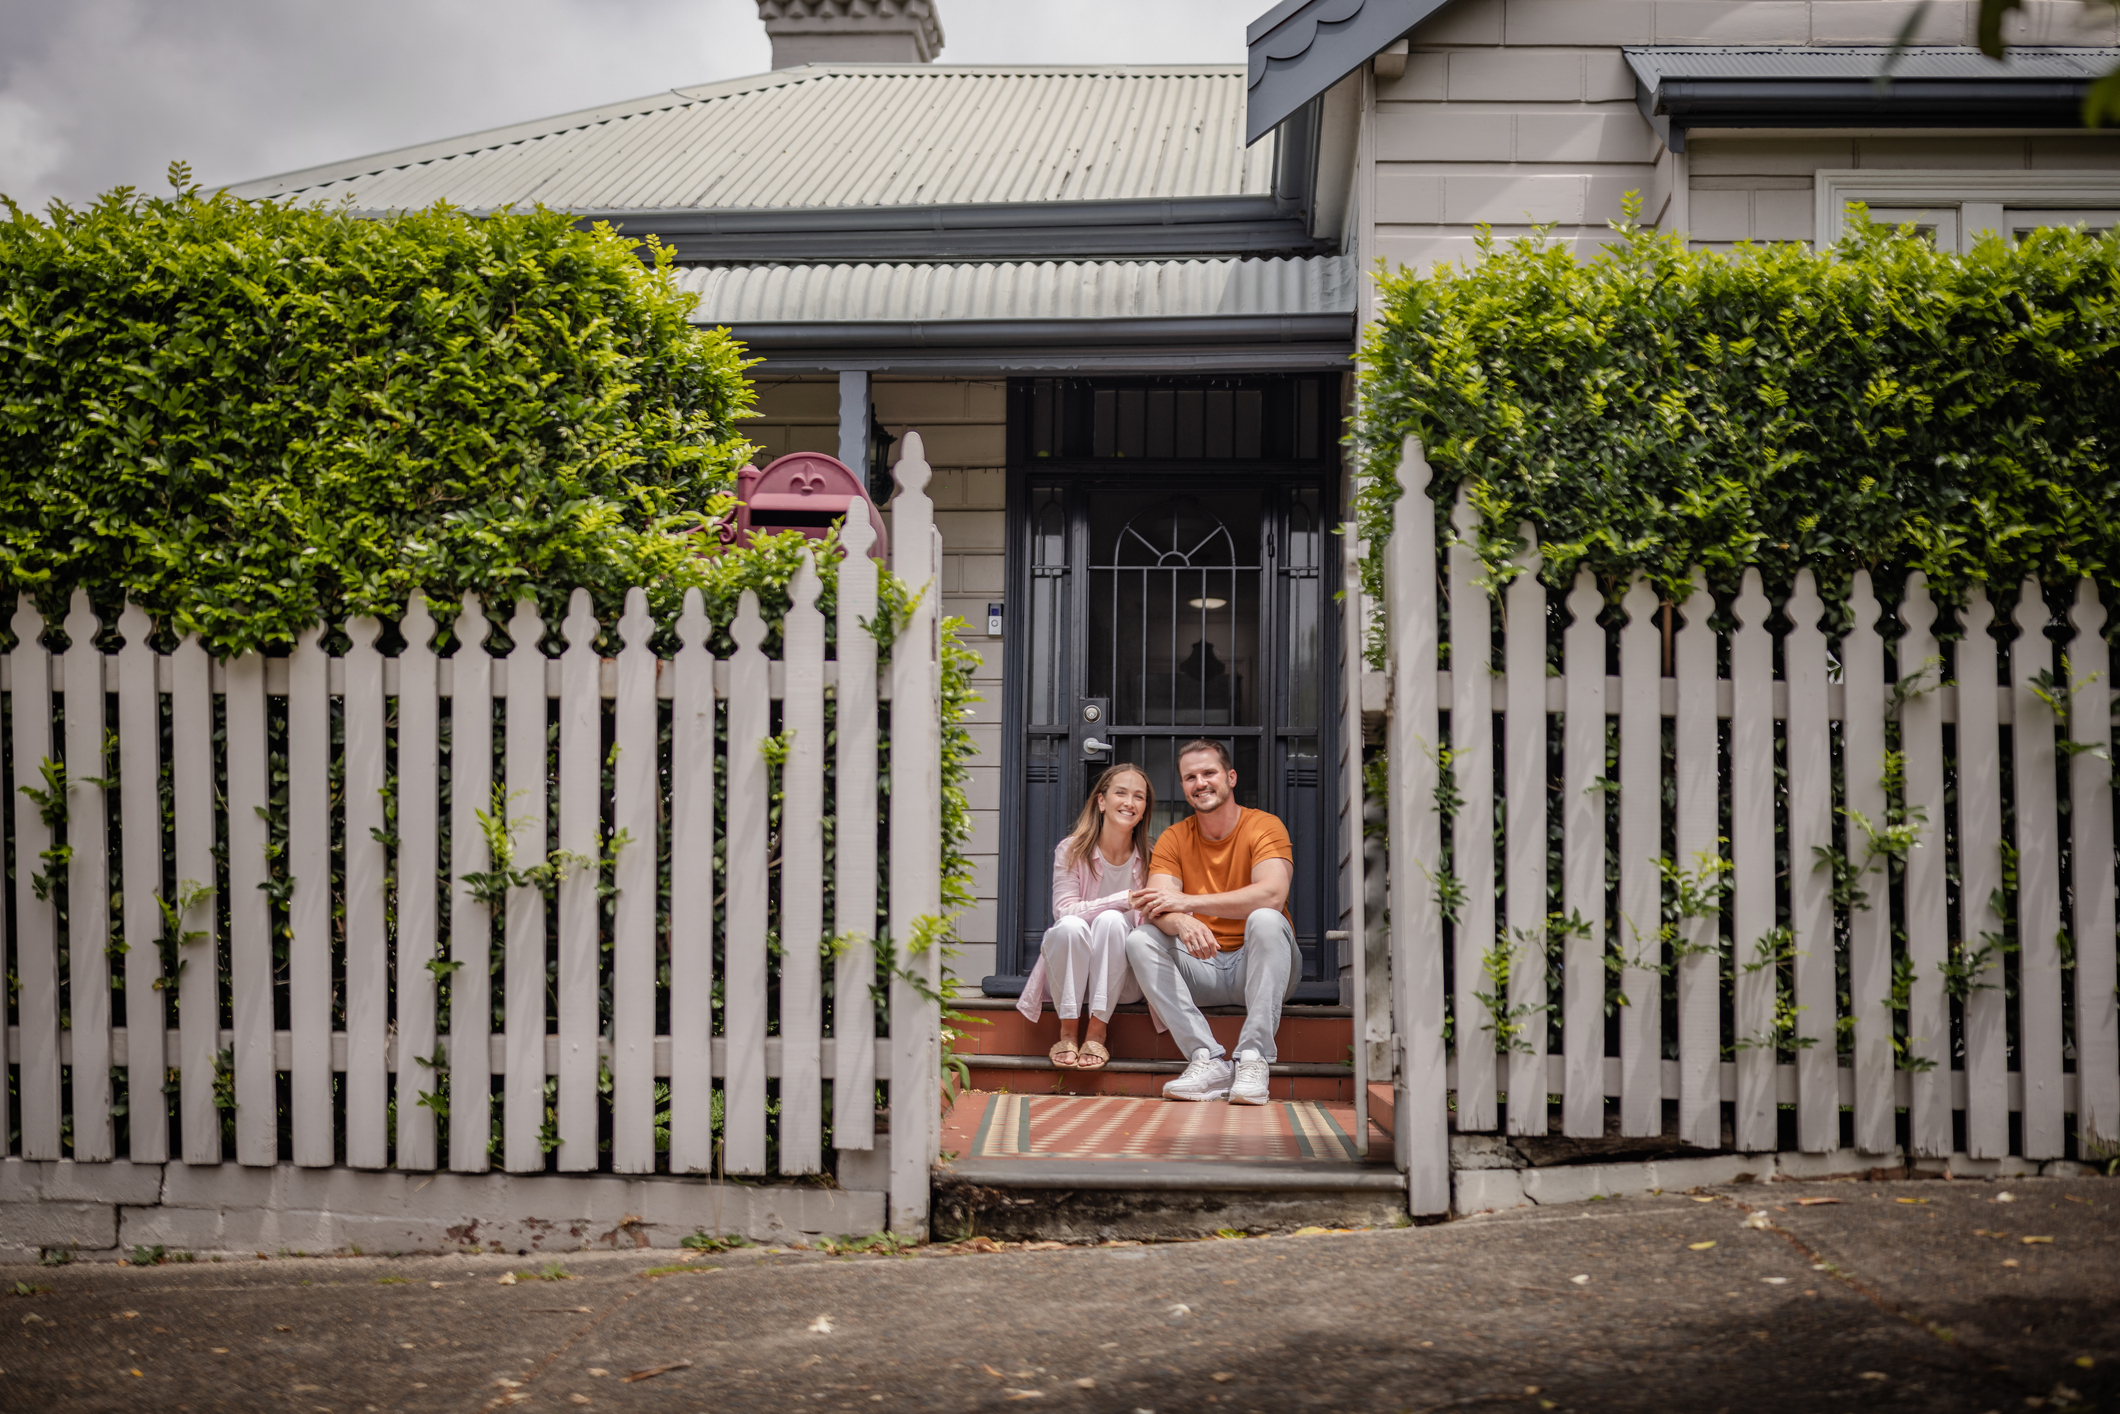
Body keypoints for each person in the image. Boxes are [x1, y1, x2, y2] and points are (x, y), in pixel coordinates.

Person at [1124, 739, 1297, 1105]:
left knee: (1267, 919)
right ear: (1183, 786)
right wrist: (1183, 923)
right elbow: (1158, 905)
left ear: (1230, 777)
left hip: (1260, 968)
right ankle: (1207, 1058)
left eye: (1209, 773)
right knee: (1140, 938)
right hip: (1202, 966)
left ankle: (1254, 1058)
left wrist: (1189, 903)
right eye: (1190, 777)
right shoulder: (1174, 837)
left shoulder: (1264, 826)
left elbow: (1272, 894)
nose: (1200, 783)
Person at [1014, 763, 1155, 1071]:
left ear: (1145, 809)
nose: (1129, 802)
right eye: (1121, 793)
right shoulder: (1071, 850)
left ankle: (1096, 1032)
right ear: (1101, 801)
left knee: (1112, 921)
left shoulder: (1151, 859)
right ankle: (1067, 1031)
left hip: (1122, 982)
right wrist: (1122, 900)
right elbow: (1064, 910)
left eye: (1139, 796)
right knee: (1069, 925)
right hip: (1069, 978)